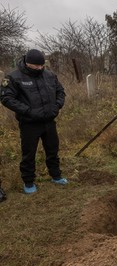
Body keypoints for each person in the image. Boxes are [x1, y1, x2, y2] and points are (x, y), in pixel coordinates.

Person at [0, 49, 68, 194]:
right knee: (29, 153)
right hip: (29, 124)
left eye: (41, 65)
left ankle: (56, 175)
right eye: (36, 66)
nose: (39, 68)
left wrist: (56, 106)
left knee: (52, 149)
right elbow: (7, 98)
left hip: (49, 121)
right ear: (27, 63)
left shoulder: (49, 75)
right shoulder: (13, 77)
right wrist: (28, 111)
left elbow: (60, 92)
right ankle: (29, 182)